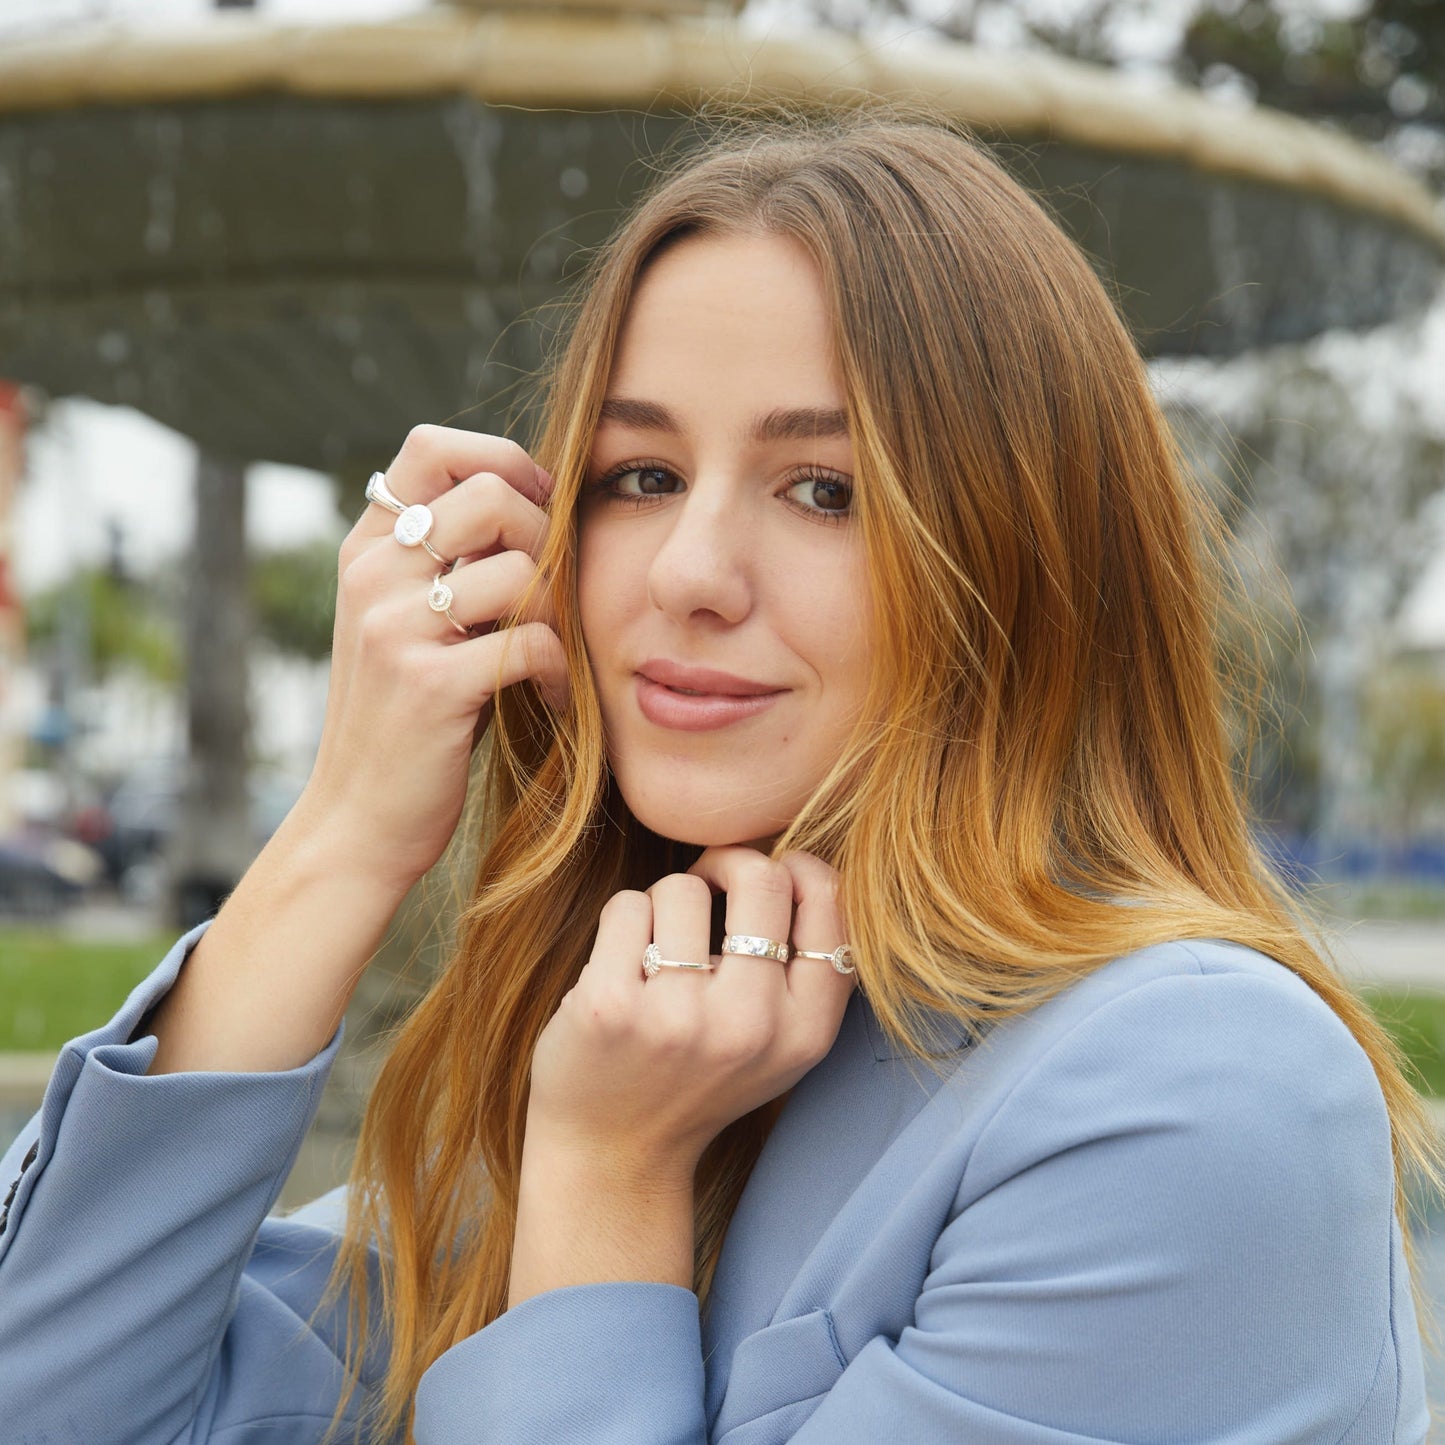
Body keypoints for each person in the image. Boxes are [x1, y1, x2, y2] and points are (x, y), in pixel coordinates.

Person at [0, 109, 1436, 1445]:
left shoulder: (1190, 1091)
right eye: (638, 475)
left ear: (1025, 561)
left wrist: (605, 1189)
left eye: (826, 489)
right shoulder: (650, 1025)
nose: (687, 573)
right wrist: (342, 837)